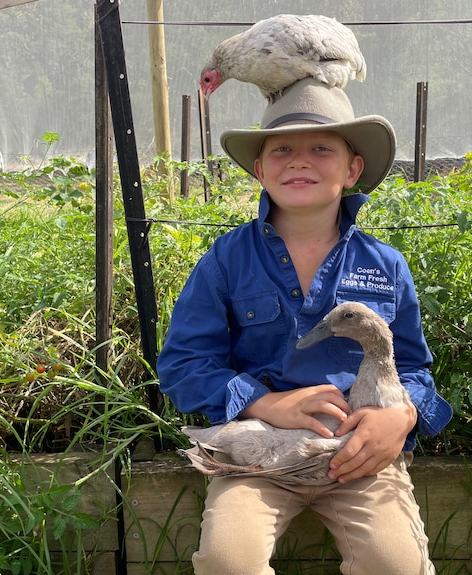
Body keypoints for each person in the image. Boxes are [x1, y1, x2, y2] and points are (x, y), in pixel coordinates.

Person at [156, 77, 453, 575]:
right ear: (259, 169)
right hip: (259, 454)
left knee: (396, 566)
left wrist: (399, 419)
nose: (299, 160)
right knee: (228, 562)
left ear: (353, 168)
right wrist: (267, 403)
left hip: (359, 457)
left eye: (321, 148)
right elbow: (184, 364)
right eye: (282, 150)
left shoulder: (384, 265)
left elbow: (414, 368)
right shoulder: (227, 260)